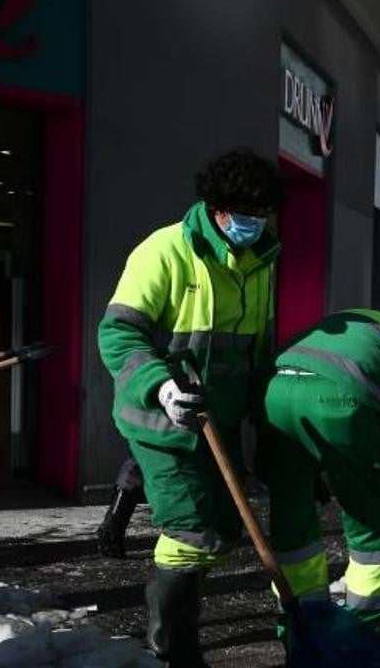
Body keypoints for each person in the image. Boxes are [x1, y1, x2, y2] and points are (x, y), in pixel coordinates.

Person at [97, 147, 282, 665]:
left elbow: (258, 349)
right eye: (245, 216)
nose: (254, 225)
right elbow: (117, 334)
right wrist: (161, 385)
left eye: (263, 215)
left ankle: (177, 614)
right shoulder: (165, 251)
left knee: (223, 533)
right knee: (191, 531)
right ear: (217, 210)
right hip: (161, 420)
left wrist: (264, 415)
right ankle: (173, 648)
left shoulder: (262, 259)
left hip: (215, 426)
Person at [261, 310, 380, 628]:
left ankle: (301, 627)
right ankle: (360, 631)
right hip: (344, 397)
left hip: (275, 392)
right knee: (379, 520)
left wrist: (308, 466)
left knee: (292, 518)